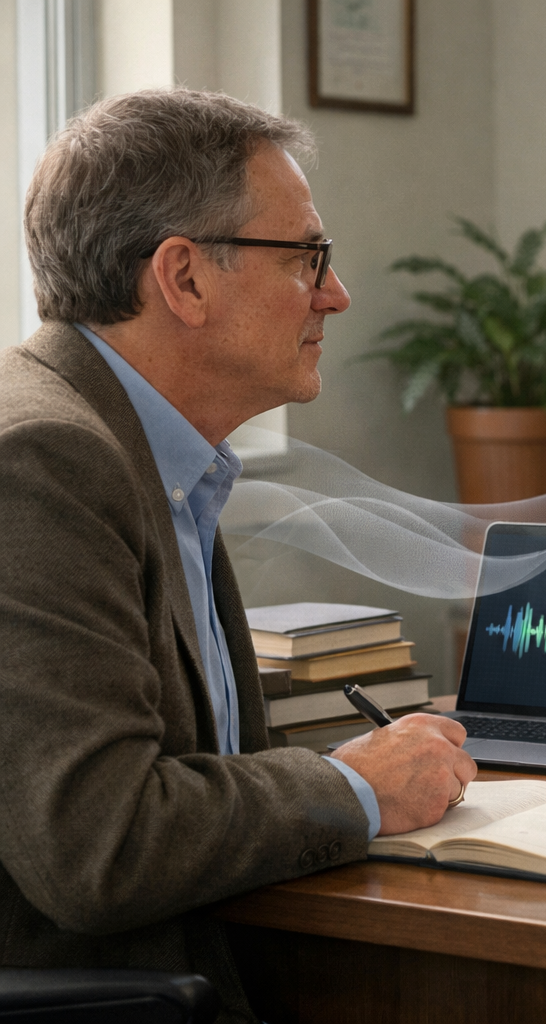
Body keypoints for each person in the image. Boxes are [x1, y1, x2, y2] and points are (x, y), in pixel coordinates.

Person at [0, 89, 475, 1021]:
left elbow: (187, 761)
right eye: (308, 257)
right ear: (183, 279)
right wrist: (351, 783)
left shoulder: (148, 443)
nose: (335, 293)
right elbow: (100, 846)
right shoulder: (43, 461)